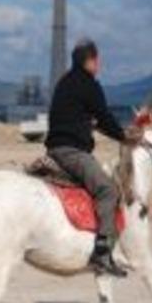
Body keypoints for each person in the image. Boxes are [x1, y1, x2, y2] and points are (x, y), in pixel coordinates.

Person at [45, 38, 141, 277]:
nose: (99, 65)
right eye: (97, 60)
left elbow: (90, 118)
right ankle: (102, 253)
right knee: (108, 190)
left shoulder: (65, 82)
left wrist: (95, 125)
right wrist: (123, 137)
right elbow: (105, 117)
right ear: (90, 61)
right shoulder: (89, 85)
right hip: (72, 152)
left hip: (55, 147)